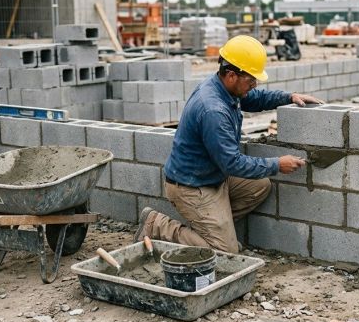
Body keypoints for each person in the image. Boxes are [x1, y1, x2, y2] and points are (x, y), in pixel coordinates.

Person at [133, 35, 323, 253]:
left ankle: (215, 231)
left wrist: (288, 96)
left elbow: (254, 99)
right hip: (193, 186)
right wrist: (277, 164)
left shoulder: (224, 87)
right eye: (251, 80)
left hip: (212, 174)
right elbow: (232, 163)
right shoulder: (213, 109)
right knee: (226, 252)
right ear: (232, 75)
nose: (254, 85)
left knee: (260, 186)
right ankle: (157, 225)